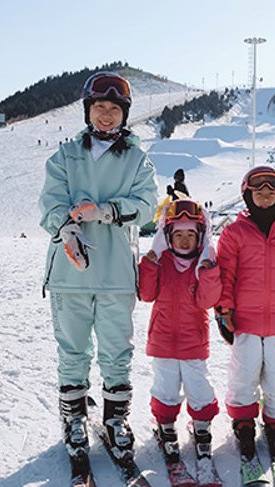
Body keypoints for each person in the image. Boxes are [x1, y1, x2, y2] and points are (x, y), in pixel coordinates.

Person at [38, 71, 158, 482]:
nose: (106, 115)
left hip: (114, 273)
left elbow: (146, 206)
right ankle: (73, 419)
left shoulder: (137, 159)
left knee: (115, 351)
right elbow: (50, 203)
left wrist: (104, 211)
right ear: (88, 110)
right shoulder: (66, 156)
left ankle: (115, 420)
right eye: (99, 107)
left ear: (123, 114)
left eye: (114, 109)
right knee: (72, 350)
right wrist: (65, 226)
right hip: (71, 272)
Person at [215, 166, 275, 464]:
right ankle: (244, 421)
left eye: (272, 191)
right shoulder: (234, 233)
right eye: (259, 191)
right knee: (244, 373)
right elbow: (226, 275)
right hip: (244, 321)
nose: (266, 195)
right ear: (247, 195)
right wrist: (223, 309)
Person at [138, 198, 221, 474]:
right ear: (167, 236)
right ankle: (165, 426)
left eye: (190, 235)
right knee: (165, 386)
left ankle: (201, 427)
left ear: (200, 237)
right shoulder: (161, 261)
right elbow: (146, 294)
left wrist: (209, 272)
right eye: (178, 235)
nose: (184, 241)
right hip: (162, 342)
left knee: (198, 385)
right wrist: (148, 266)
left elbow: (206, 301)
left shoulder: (203, 264)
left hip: (193, 342)